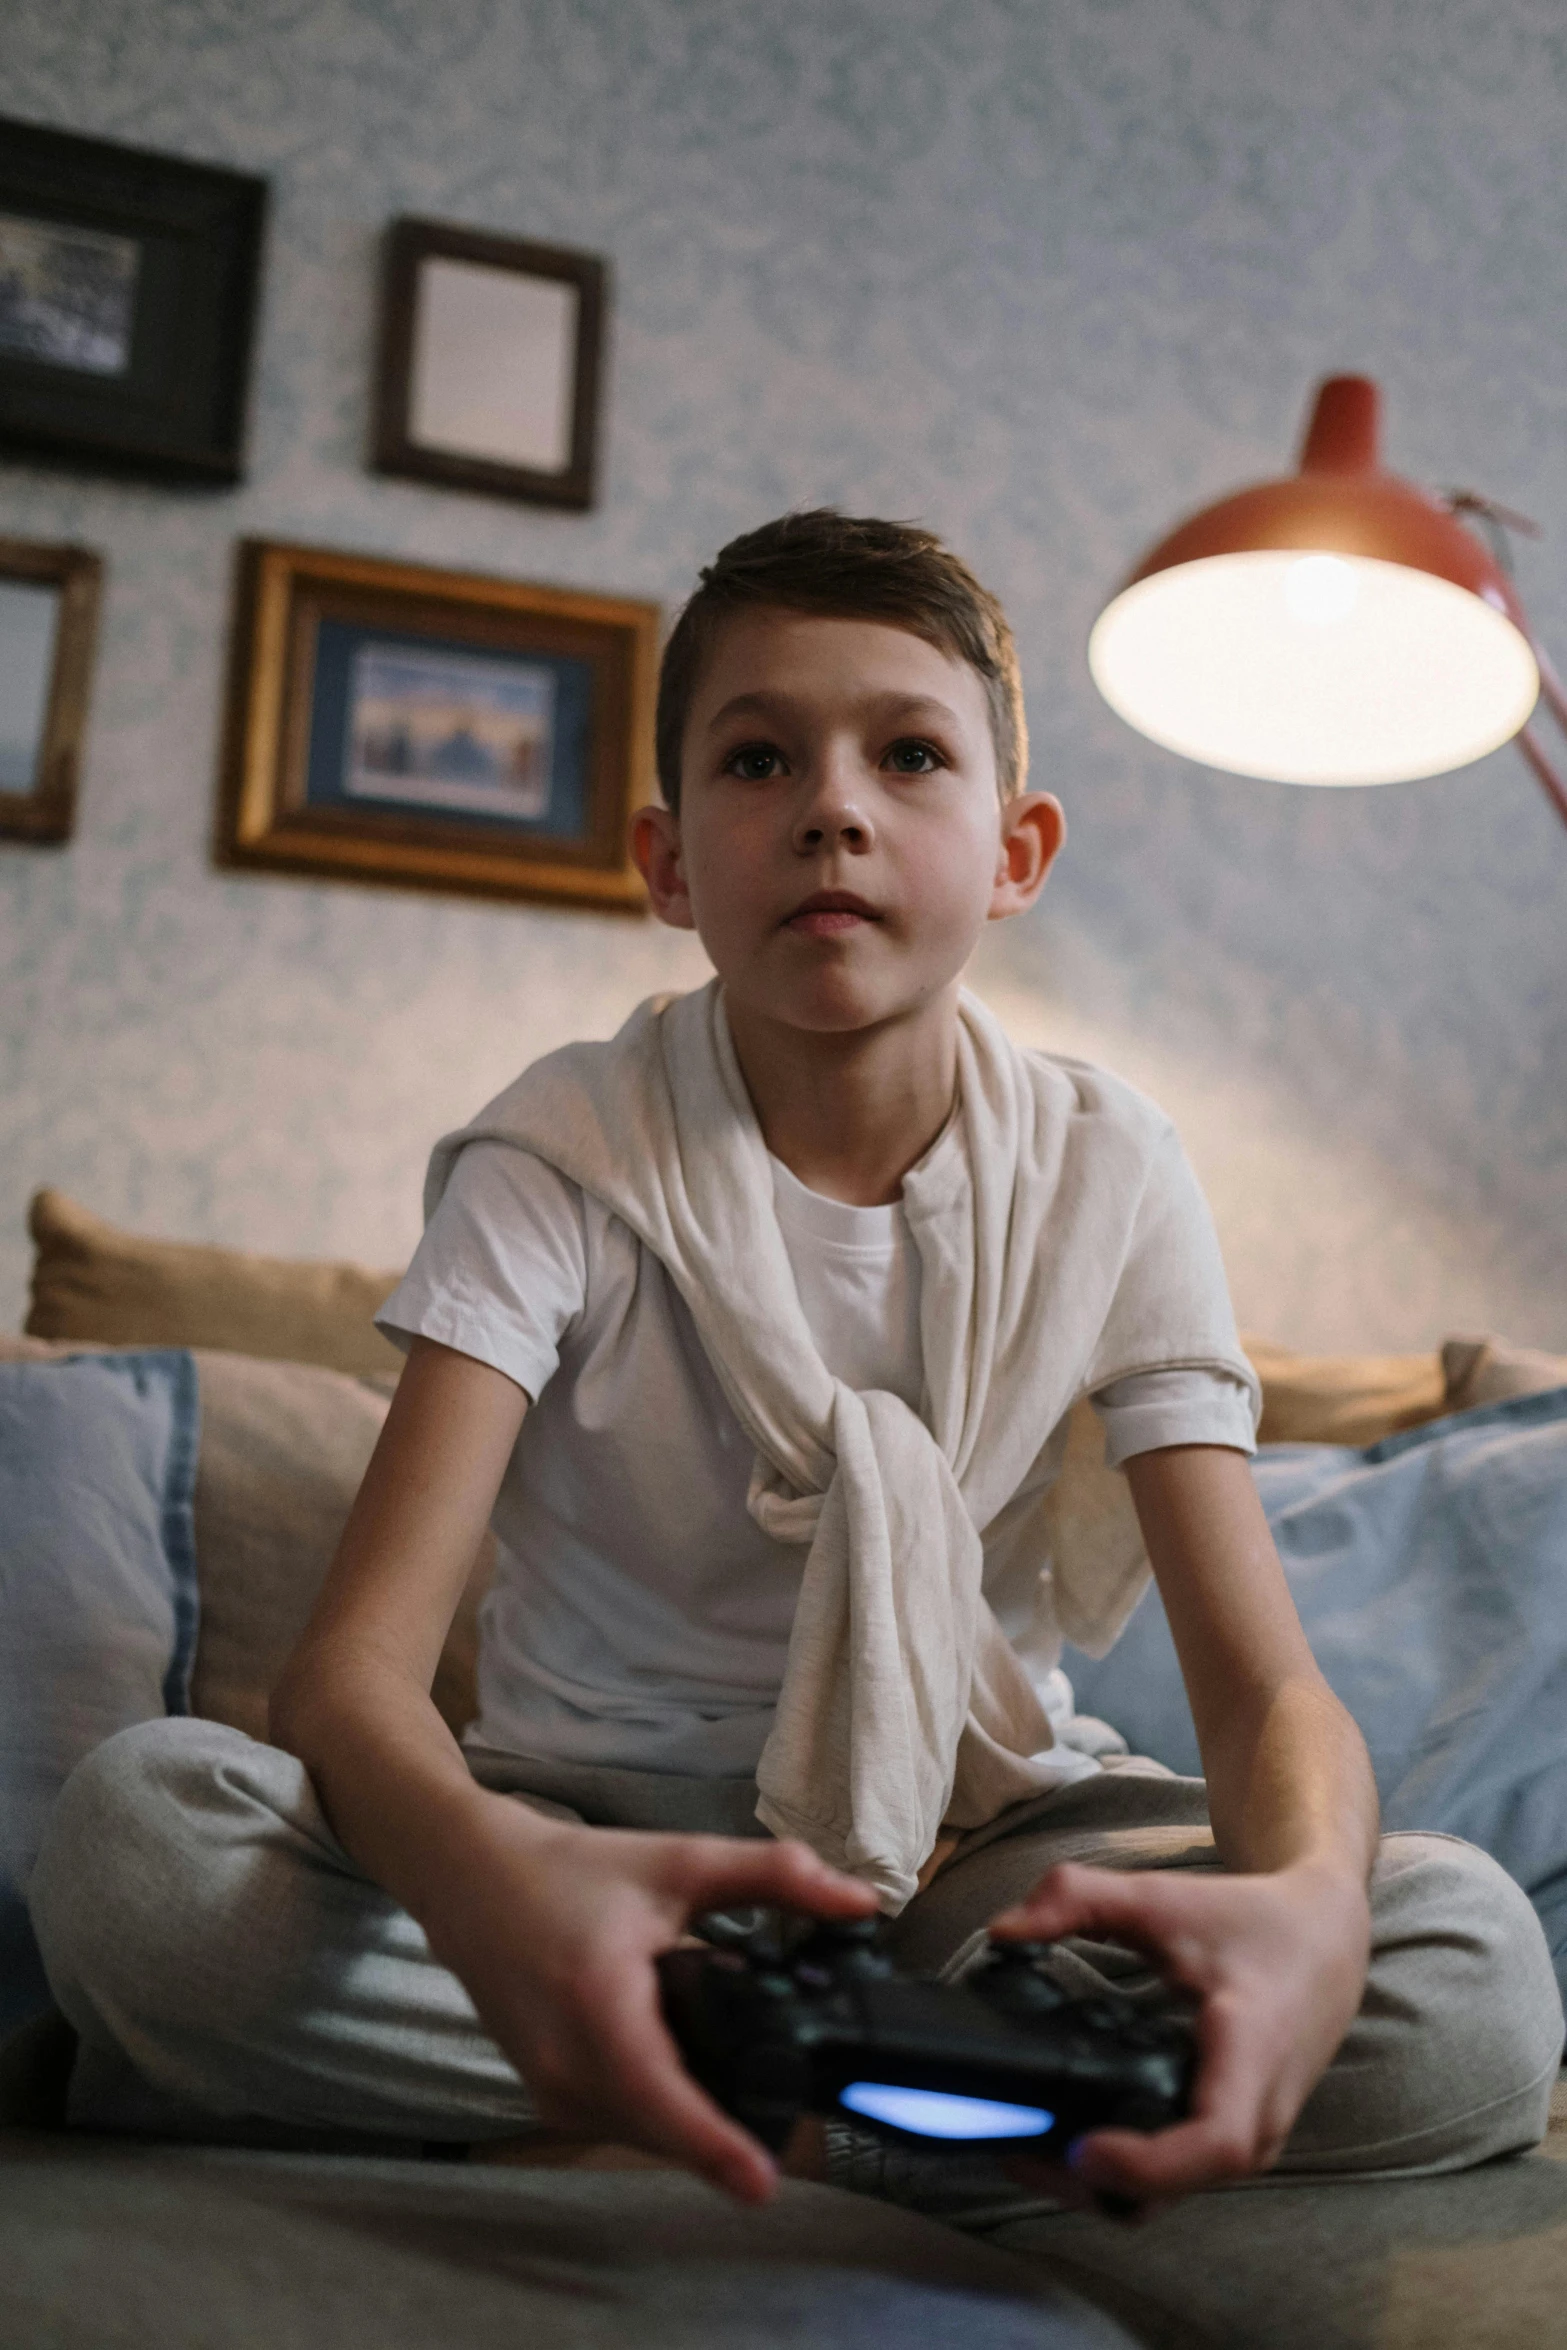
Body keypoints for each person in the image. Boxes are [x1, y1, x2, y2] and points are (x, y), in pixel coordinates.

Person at [32, 511, 1561, 2223]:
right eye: (759, 759)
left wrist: (1306, 1916)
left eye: (910, 753)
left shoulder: (1112, 1169)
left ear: (1014, 848)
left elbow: (1265, 1694)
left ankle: (661, 2104)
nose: (833, 805)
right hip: (595, 1838)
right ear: (671, 862)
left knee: (1465, 1972)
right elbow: (349, 1682)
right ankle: (949, 2118)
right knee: (142, 1843)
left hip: (980, 1851)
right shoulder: (557, 1155)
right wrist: (491, 1887)